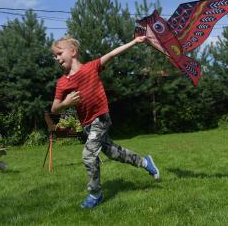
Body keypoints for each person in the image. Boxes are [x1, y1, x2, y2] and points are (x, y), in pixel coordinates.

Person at [51, 34, 159, 209]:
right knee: (112, 152)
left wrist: (134, 41)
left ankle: (95, 193)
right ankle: (145, 162)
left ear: (73, 51)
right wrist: (66, 103)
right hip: (87, 125)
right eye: (54, 56)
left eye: (59, 53)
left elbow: (113, 53)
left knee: (88, 155)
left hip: (100, 118)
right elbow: (54, 109)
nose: (56, 58)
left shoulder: (91, 68)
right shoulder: (62, 83)